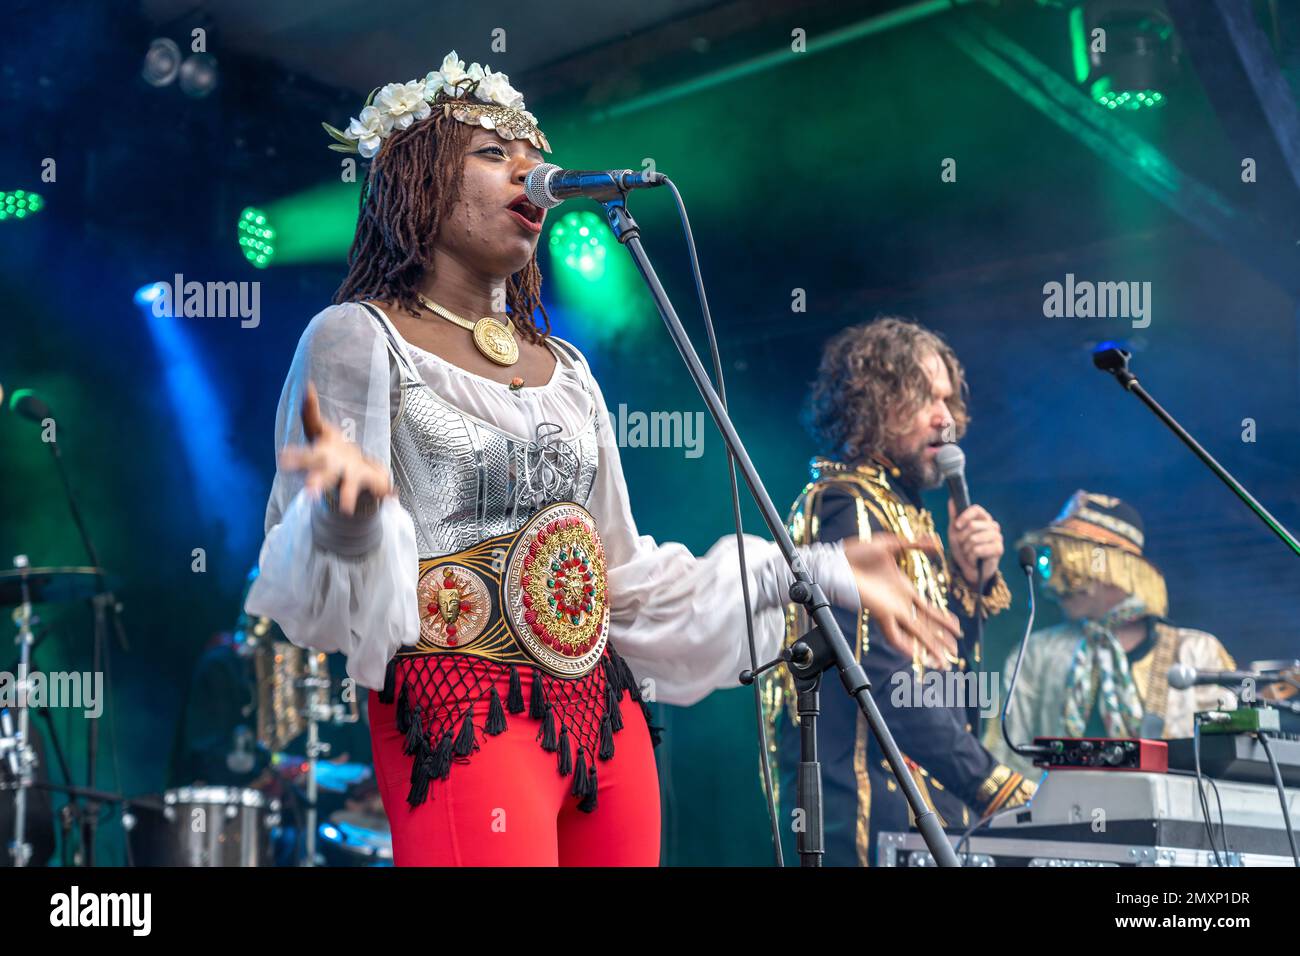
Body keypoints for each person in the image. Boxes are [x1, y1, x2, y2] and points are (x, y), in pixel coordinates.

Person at [245, 53, 960, 866]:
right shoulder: (358, 338)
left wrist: (809, 568)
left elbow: (624, 575)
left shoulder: (569, 373)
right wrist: (346, 519)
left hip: (604, 716)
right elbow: (323, 593)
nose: (533, 174)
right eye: (494, 154)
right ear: (418, 179)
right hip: (460, 705)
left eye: (533, 154)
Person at [766, 317, 1035, 866]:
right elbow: (885, 682)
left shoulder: (908, 513)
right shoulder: (847, 503)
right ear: (871, 405)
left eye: (948, 401)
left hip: (926, 816)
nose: (946, 419)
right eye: (923, 400)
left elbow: (945, 681)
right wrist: (998, 786)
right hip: (868, 819)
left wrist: (970, 580)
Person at [987, 491, 1237, 777]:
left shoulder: (1196, 652)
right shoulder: (1035, 653)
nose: (1055, 584)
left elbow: (1228, 759)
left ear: (1114, 569)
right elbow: (1006, 757)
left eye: (1070, 569)